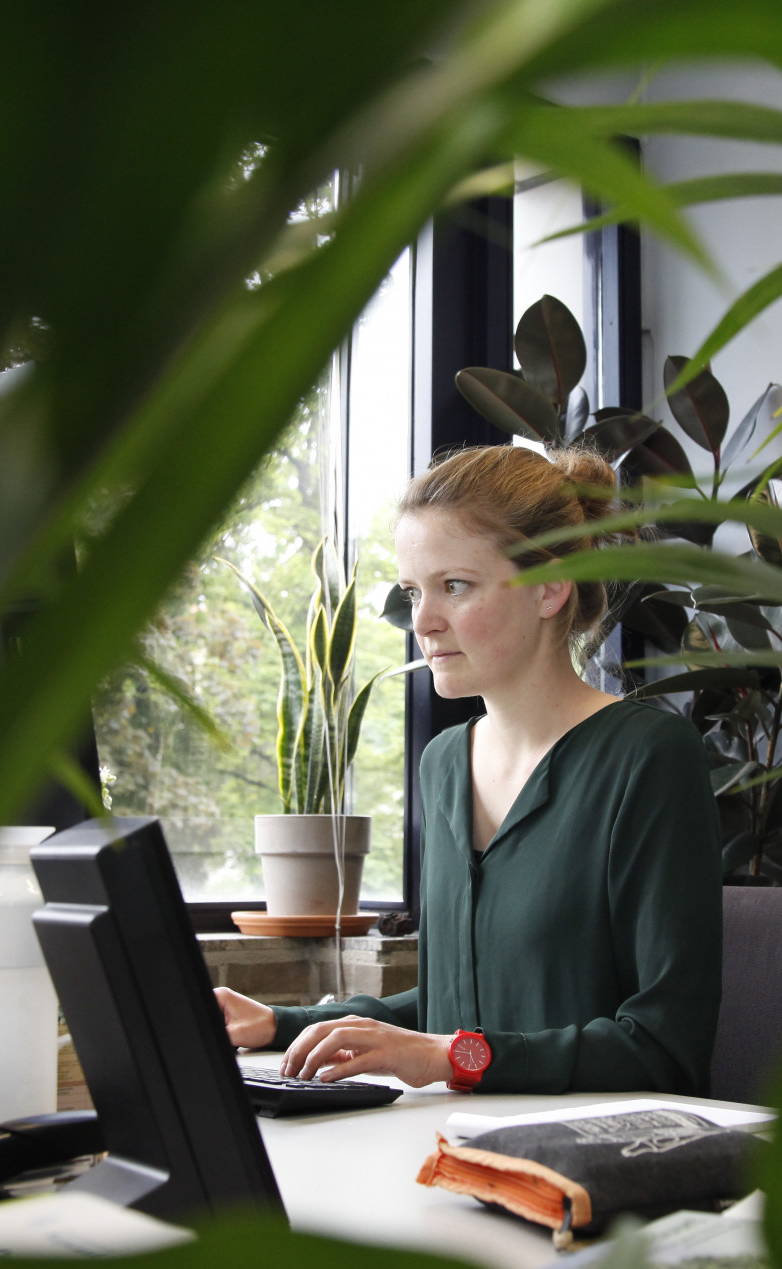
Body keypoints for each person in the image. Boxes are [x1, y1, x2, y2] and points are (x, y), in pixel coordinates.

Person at [214, 444, 723, 1095]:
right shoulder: (445, 763)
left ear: (549, 587)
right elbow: (458, 1005)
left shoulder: (647, 756)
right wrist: (281, 1022)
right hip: (451, 1147)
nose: (422, 621)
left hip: (591, 1170)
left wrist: (452, 1057)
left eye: (455, 586)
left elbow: (664, 1049)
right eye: (412, 591)